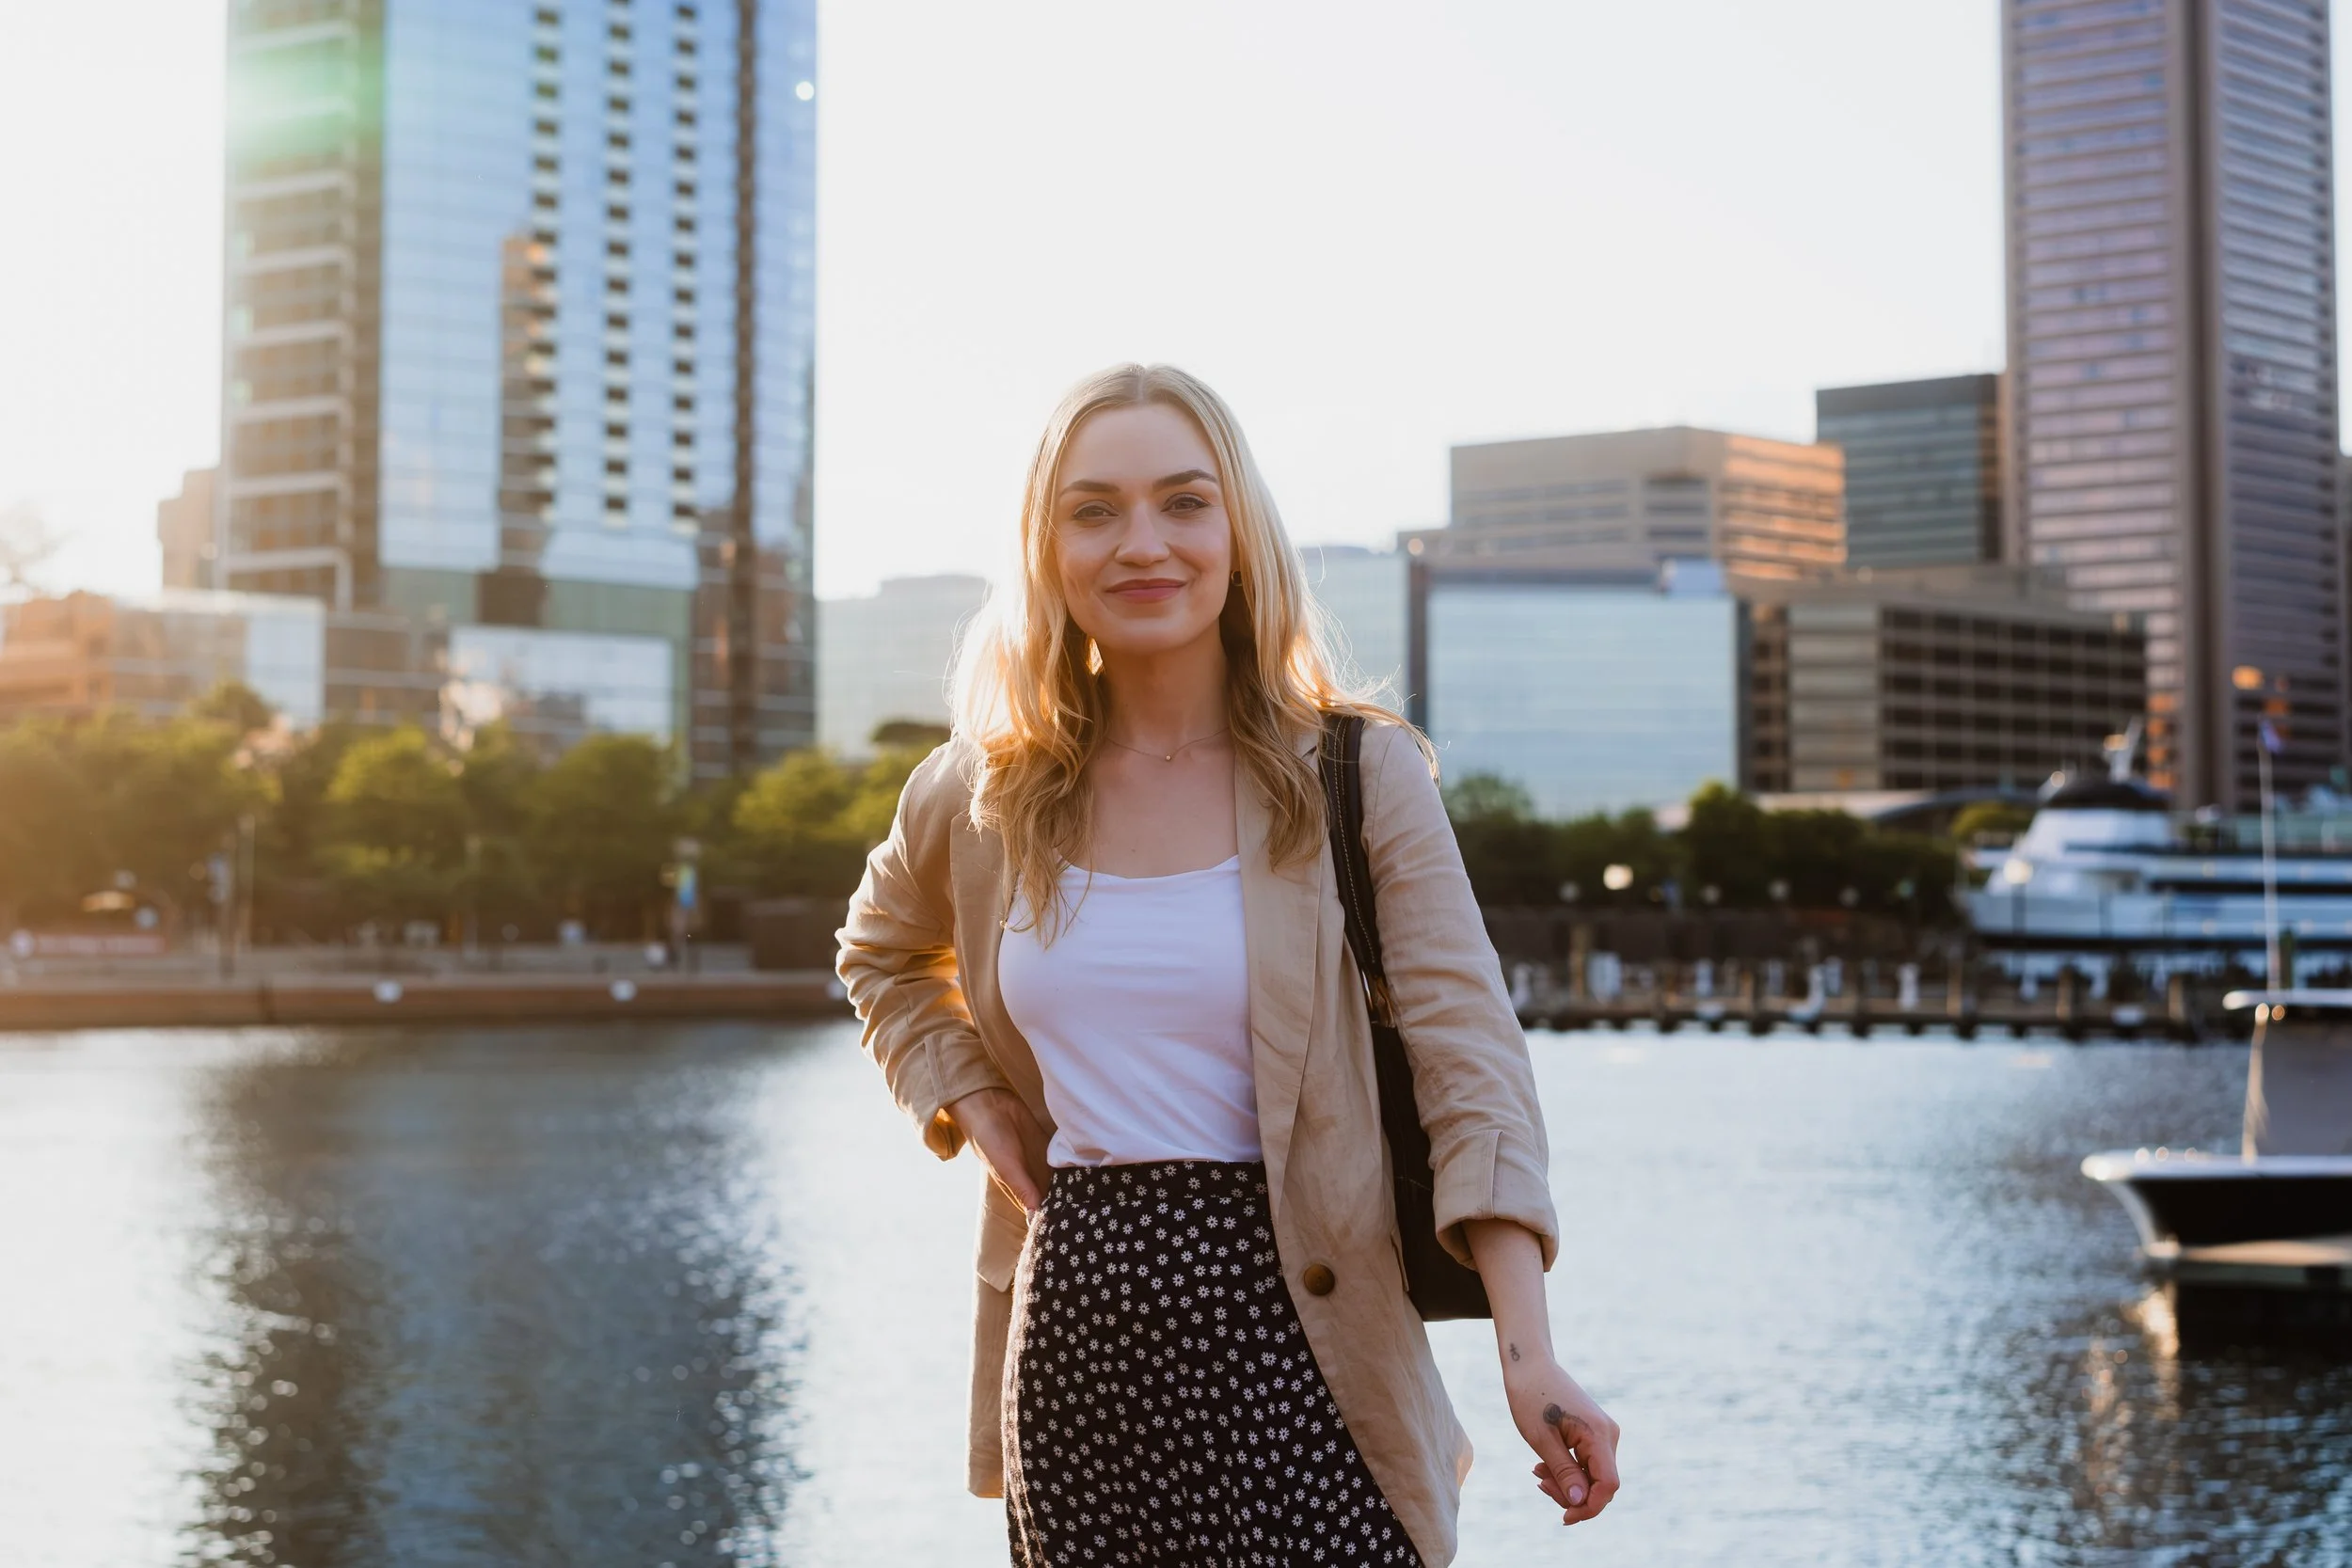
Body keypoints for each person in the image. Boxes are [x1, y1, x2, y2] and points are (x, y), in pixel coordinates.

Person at [836, 363, 1619, 1566]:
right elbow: (882, 952)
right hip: (1080, 1345)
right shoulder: (981, 789)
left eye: (1183, 502)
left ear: (1239, 531)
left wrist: (1529, 1352)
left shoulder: (1358, 774)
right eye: (1093, 510)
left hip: (1313, 1334)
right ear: (1047, 547)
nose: (1141, 542)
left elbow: (1474, 1068)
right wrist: (966, 1095)